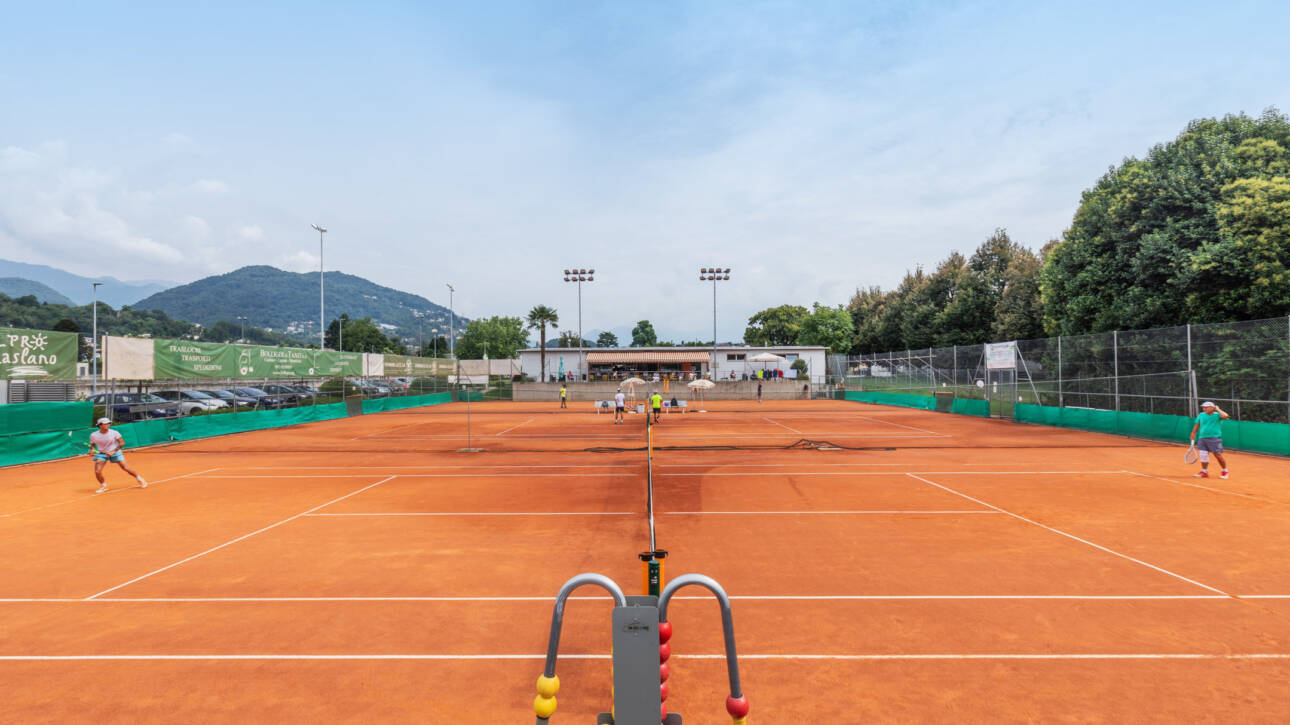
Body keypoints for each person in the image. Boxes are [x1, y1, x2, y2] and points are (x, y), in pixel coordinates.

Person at [90, 418, 146, 493]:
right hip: (102, 454)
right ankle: (103, 486)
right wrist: (92, 449)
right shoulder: (94, 435)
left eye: (109, 423)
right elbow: (92, 444)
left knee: (125, 467)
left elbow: (122, 443)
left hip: (115, 451)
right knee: (97, 471)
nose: (108, 425)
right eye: (105, 424)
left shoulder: (114, 432)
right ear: (100, 425)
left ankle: (139, 479)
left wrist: (113, 451)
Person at [1190, 401, 1230, 479]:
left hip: (1214, 438)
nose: (1204, 409)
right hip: (1202, 438)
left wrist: (1218, 409)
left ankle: (1225, 471)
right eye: (1203, 407)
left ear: (1212, 408)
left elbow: (1226, 416)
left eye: (1206, 407)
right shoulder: (1201, 415)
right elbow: (1197, 424)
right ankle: (1204, 472)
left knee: (1217, 455)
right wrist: (1193, 433)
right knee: (1203, 455)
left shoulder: (1217, 415)